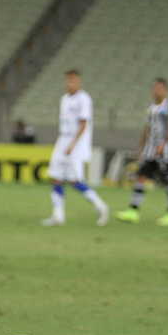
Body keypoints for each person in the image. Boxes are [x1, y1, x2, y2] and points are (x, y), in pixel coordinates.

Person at [40, 69, 109, 227]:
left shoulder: (83, 99)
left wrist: (73, 144)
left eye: (72, 80)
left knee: (74, 180)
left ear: (79, 81)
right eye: (67, 80)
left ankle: (101, 206)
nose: (69, 83)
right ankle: (58, 216)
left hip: (75, 142)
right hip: (62, 139)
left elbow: (84, 124)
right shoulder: (64, 99)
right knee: (56, 177)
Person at [116, 78, 168, 226]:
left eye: (160, 88)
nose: (157, 91)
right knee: (140, 177)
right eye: (155, 88)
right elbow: (147, 129)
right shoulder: (150, 107)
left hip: (166, 152)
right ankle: (133, 211)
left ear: (166, 91)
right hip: (151, 151)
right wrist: (141, 148)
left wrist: (163, 144)